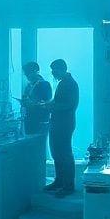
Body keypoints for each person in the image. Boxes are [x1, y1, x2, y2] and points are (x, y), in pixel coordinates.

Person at [44, 58, 79, 197]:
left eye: (54, 71)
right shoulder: (63, 83)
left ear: (62, 69)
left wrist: (50, 107)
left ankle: (68, 186)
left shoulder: (70, 84)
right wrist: (48, 103)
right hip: (58, 123)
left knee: (64, 153)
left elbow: (69, 105)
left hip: (64, 123)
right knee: (56, 152)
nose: (53, 74)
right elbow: (59, 101)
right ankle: (59, 181)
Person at [19, 61, 52, 135]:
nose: (26, 76)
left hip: (40, 121)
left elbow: (48, 104)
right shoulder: (28, 86)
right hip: (29, 120)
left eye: (28, 73)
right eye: (26, 74)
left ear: (35, 71)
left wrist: (33, 104)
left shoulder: (45, 84)